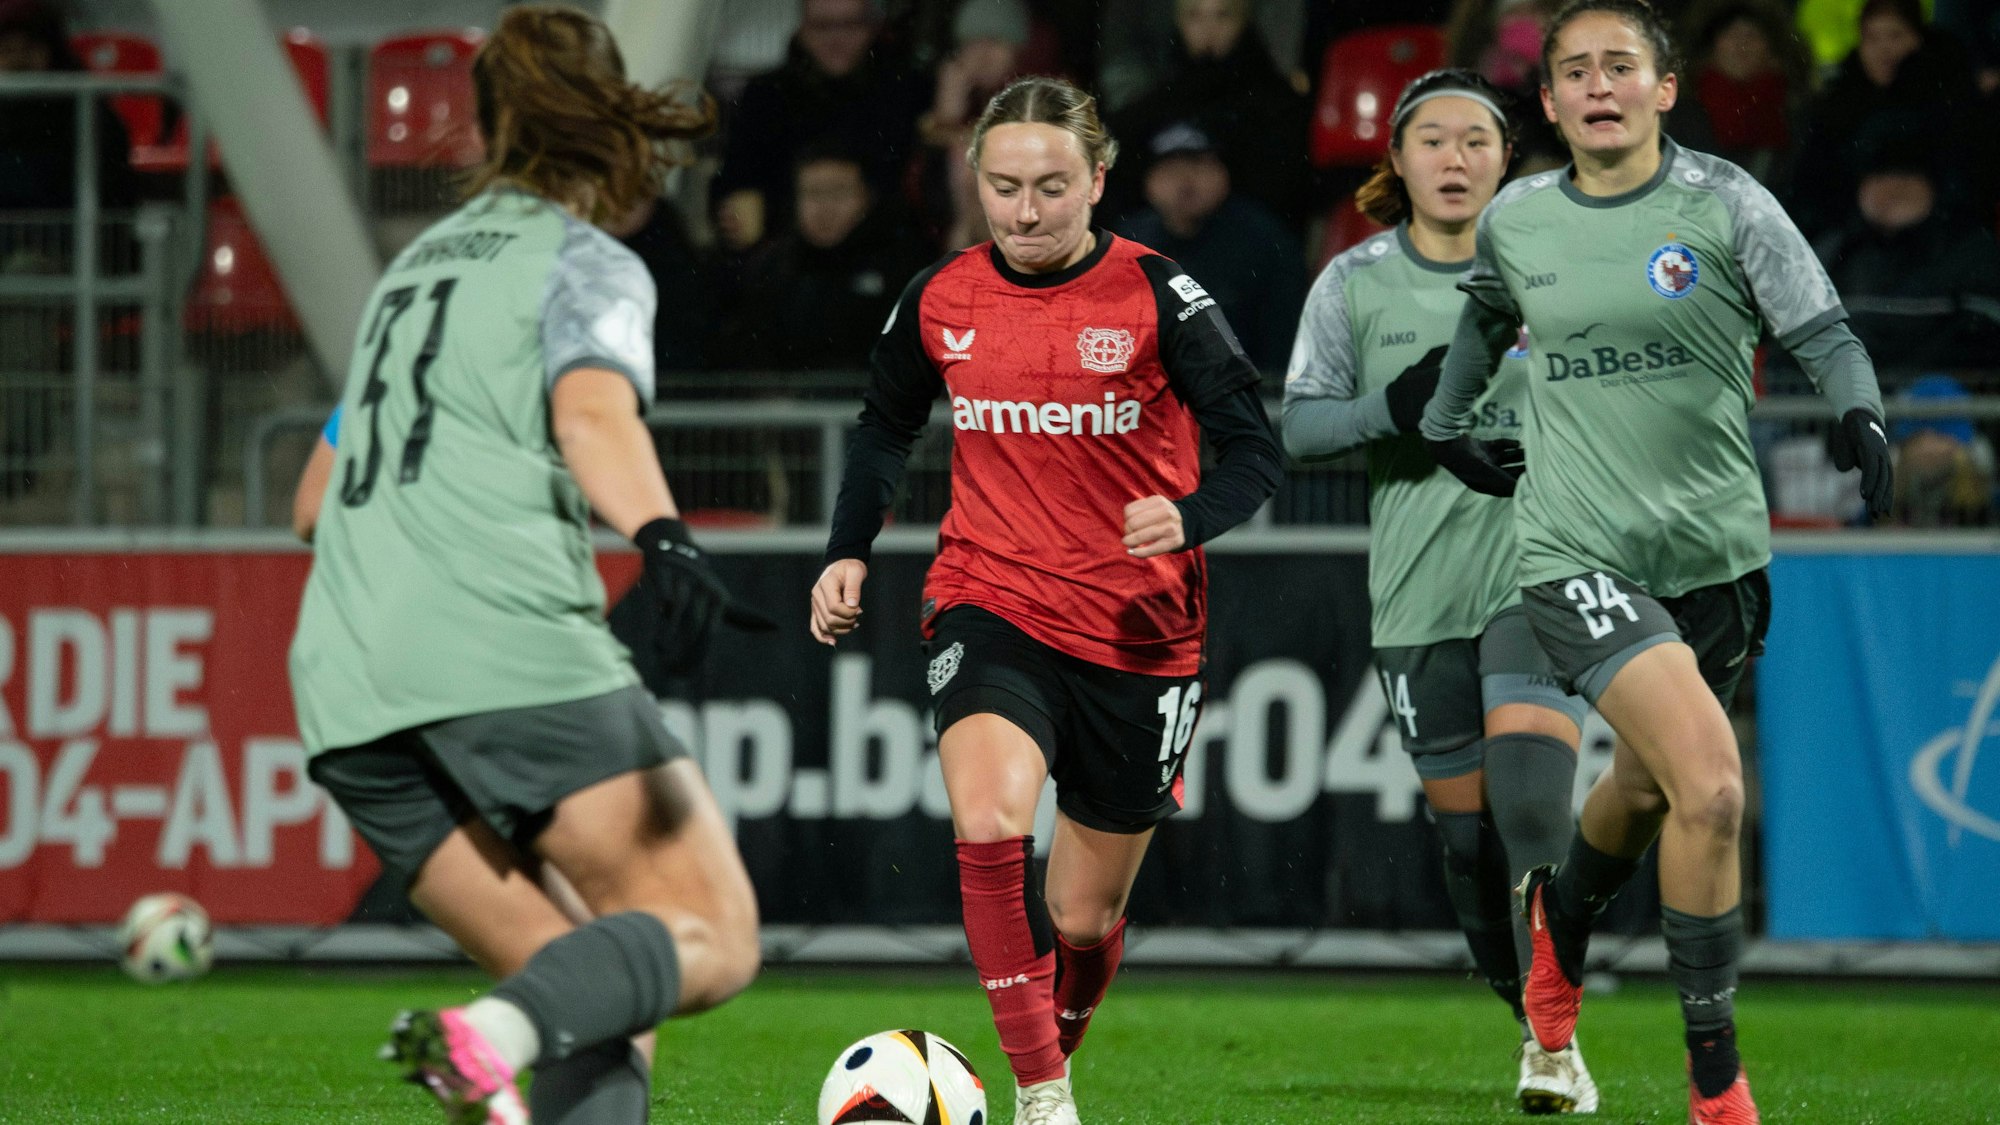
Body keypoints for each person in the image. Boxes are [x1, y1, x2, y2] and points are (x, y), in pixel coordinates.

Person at [288, 8, 765, 1123]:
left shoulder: (405, 276)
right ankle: (482, 1035)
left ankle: (506, 1034)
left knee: (596, 985)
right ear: (608, 118)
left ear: (485, 121)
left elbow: (311, 505)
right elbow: (592, 412)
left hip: (348, 688)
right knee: (713, 933)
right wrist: (664, 536)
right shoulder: (586, 262)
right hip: (500, 650)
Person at [1418, 4, 1891, 1121]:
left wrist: (1858, 414)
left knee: (1646, 789)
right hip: (1575, 547)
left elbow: (1820, 330)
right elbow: (1485, 318)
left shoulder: (1723, 203)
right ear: (1546, 102)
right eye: (1572, 71)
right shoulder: (1519, 217)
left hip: (1714, 554)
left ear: (1662, 88)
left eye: (1618, 67)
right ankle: (1714, 1081)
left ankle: (1554, 936)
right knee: (1716, 787)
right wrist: (1446, 423)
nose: (1596, 86)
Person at [809, 75, 1283, 1125]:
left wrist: (1190, 515)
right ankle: (1041, 1094)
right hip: (989, 597)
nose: (1024, 213)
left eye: (1051, 187)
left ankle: (1044, 1046)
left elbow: (1256, 450)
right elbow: (883, 424)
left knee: (1081, 914)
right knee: (985, 819)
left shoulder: (1161, 297)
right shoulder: (941, 296)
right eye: (1004, 186)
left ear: (1098, 180)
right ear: (973, 178)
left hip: (1138, 627)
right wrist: (849, 549)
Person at [1282, 67, 1598, 1115]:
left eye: (1475, 139)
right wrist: (1391, 406)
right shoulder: (1353, 281)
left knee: (1527, 804)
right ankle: (1531, 1021)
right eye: (1431, 140)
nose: (1454, 158)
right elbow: (1298, 429)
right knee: (1466, 846)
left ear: (1507, 157)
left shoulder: (1562, 262)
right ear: (1398, 160)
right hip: (1416, 596)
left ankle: (1553, 1046)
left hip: (1539, 570)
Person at [710, 0, 927, 253]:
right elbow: (736, 179)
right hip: (784, 259)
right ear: (802, 27)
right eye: (823, 26)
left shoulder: (908, 91)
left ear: (872, 27)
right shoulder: (767, 95)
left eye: (850, 25)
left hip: (885, 255)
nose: (836, 38)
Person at [711, 143, 933, 372]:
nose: (825, 208)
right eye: (813, 193)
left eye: (839, 192)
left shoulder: (900, 266)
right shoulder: (771, 268)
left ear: (867, 197)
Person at [1116, 119, 1307, 373]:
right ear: (1149, 183)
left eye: (1197, 166)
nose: (1185, 181)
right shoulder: (1128, 241)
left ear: (1222, 174)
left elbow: (1283, 342)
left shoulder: (1264, 241)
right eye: (1171, 170)